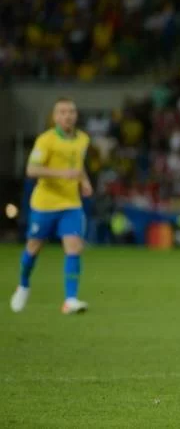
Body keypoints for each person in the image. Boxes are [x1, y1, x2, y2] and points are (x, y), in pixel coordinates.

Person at [11, 97, 93, 314]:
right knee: (33, 249)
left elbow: (77, 165)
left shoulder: (83, 139)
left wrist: (84, 181)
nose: (68, 115)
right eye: (63, 112)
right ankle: (23, 284)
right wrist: (62, 174)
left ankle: (70, 300)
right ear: (55, 117)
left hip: (71, 204)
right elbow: (31, 170)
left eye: (71, 111)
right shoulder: (45, 141)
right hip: (45, 204)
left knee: (74, 247)